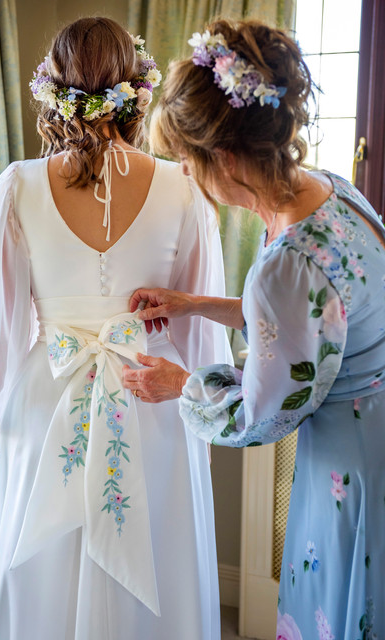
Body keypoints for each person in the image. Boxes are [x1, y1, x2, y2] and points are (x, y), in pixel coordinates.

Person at [0, 16, 232, 640]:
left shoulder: (15, 189)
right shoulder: (183, 190)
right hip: (151, 397)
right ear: (138, 88)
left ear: (51, 89)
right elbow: (195, 331)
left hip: (43, 399)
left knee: (40, 577)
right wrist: (199, 411)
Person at [122, 18, 385, 640]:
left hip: (350, 473)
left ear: (227, 157)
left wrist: (180, 382)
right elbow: (307, 322)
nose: (185, 175)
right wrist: (190, 304)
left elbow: (262, 416)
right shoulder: (332, 191)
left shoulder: (286, 265)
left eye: (187, 160)